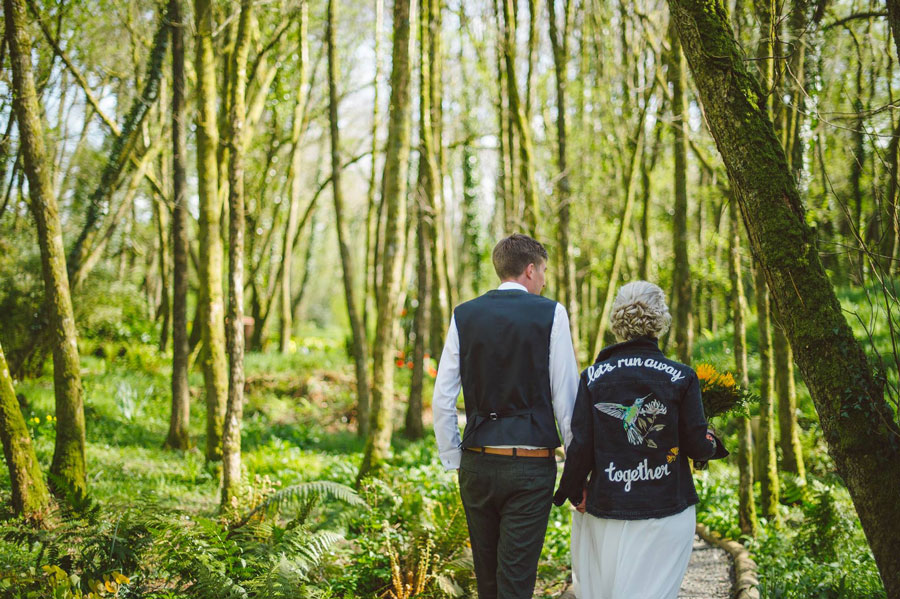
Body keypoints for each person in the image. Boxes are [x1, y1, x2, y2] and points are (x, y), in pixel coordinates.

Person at [553, 281, 727, 599]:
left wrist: (572, 489)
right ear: (660, 320)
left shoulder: (592, 377)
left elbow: (580, 445)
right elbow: (697, 444)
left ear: (618, 322)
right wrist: (713, 440)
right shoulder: (681, 376)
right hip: (667, 508)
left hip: (607, 508)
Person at [432, 233, 579, 599]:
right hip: (529, 469)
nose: (544, 280)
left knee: (488, 583)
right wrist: (578, 471)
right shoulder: (551, 313)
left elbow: (442, 397)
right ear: (530, 270)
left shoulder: (464, 315)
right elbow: (567, 398)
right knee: (515, 584)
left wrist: (454, 458)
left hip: (477, 465)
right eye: (543, 270)